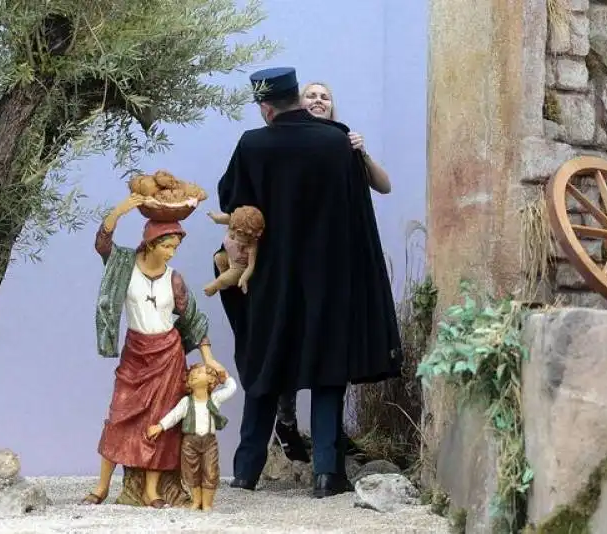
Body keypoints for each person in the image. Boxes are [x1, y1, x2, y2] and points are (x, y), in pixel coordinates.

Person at [215, 66, 402, 498]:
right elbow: (361, 212)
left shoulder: (252, 144)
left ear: (266, 108)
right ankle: (325, 474)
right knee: (327, 369)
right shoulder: (337, 141)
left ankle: (245, 472)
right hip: (329, 278)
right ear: (298, 98)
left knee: (266, 367)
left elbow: (233, 202)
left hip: (270, 278)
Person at [271, 81, 394, 462]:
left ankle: (329, 435)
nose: (318, 100)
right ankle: (287, 421)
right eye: (311, 95)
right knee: (294, 339)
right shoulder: (283, 142)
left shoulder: (344, 143)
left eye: (325, 96)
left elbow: (384, 186)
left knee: (330, 346)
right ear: (298, 104)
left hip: (334, 261)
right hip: (295, 259)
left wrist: (363, 152)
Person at [81, 193, 228, 508]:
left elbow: (193, 320)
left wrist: (208, 359)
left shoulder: (174, 280)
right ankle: (102, 486)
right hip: (136, 353)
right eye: (167, 246)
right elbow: (102, 244)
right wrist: (119, 210)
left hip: (168, 356)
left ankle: (151, 491)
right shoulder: (123, 266)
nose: (172, 253)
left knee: (160, 423)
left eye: (175, 247)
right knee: (119, 417)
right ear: (150, 243)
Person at [147, 363, 238, 511]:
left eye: (200, 372)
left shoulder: (215, 399)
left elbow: (232, 389)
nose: (194, 374)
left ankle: (207, 503)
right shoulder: (186, 402)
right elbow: (174, 415)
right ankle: (196, 501)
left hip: (209, 442)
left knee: (211, 471)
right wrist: (160, 426)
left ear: (211, 380)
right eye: (192, 373)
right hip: (190, 443)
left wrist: (225, 377)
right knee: (191, 472)